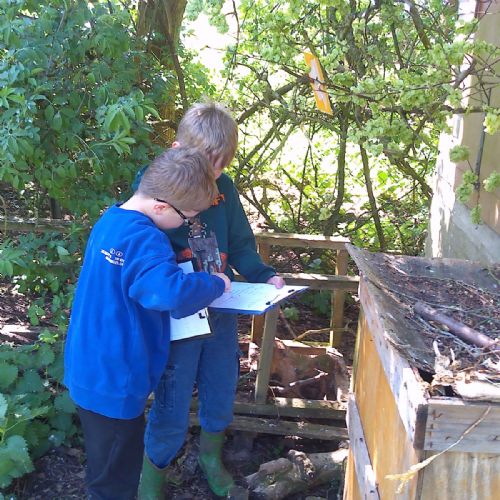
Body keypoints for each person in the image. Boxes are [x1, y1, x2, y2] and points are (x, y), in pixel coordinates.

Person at [63, 146, 231, 500]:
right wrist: (214, 283)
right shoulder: (146, 239)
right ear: (160, 207)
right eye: (187, 217)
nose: (186, 224)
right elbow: (168, 293)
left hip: (91, 367)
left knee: (105, 465)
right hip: (118, 378)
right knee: (116, 481)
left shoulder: (112, 220)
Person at [138, 102, 285, 498]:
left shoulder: (226, 189)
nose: (213, 178)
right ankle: (151, 480)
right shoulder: (154, 189)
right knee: (172, 399)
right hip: (180, 315)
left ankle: (210, 458)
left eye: (220, 170)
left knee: (221, 387)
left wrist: (264, 275)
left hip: (221, 309)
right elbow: (145, 255)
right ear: (176, 151)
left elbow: (241, 244)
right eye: (206, 167)